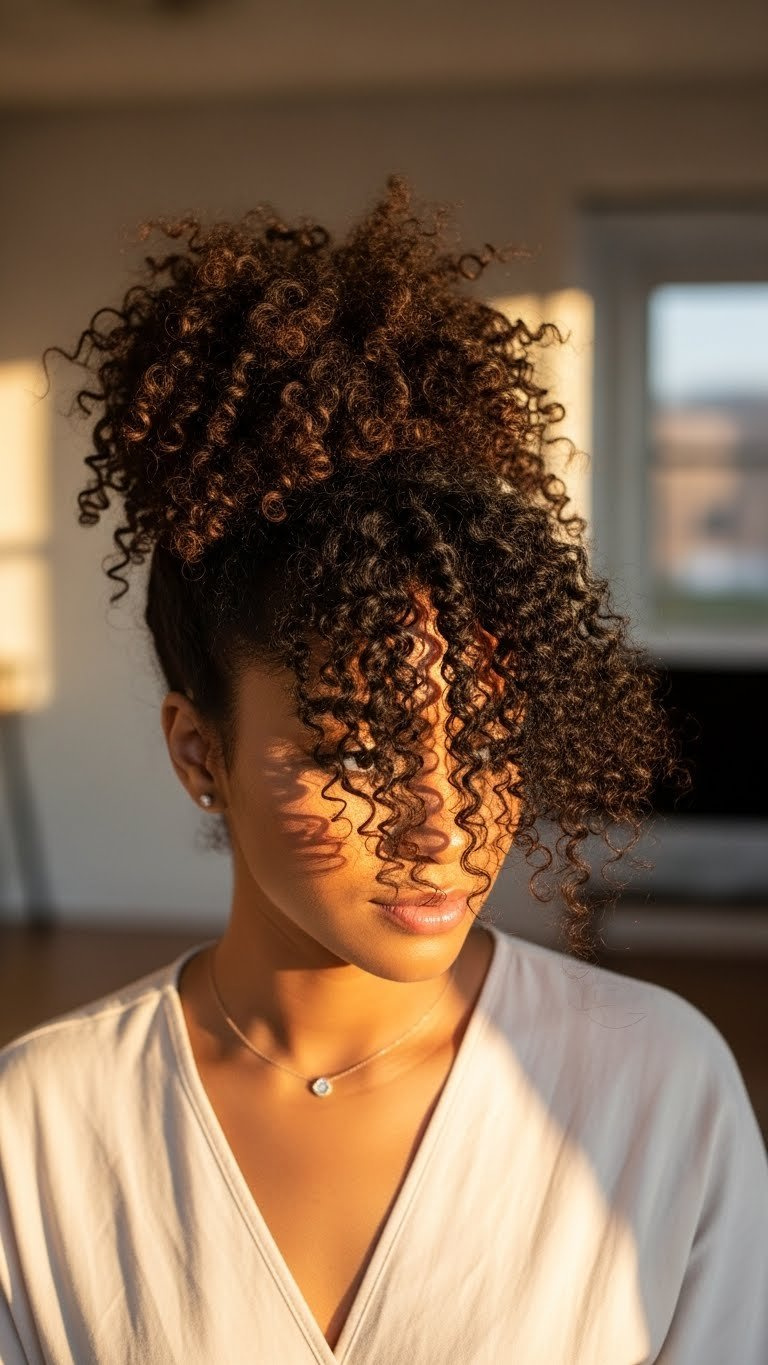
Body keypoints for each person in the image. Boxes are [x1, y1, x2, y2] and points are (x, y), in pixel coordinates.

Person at [1, 174, 766, 1364]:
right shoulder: (37, 1127)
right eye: (359, 748)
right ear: (199, 752)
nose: (446, 823)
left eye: (491, 737)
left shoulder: (660, 1089)